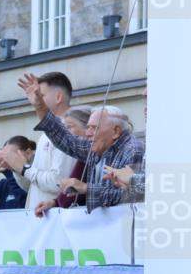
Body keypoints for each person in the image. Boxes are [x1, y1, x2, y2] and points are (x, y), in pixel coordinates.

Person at [19, 73, 144, 212]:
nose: (87, 133)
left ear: (115, 131)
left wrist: (86, 188)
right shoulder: (99, 146)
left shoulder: (133, 150)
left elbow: (132, 197)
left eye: (94, 128)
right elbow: (65, 140)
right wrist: (40, 106)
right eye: (88, 127)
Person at [0, 72, 77, 209]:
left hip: (55, 220)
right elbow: (31, 186)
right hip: (40, 220)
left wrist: (24, 168)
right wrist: (17, 169)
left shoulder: (70, 130)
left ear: (58, 97)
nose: (34, 99)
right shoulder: (45, 135)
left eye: (40, 95)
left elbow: (59, 183)